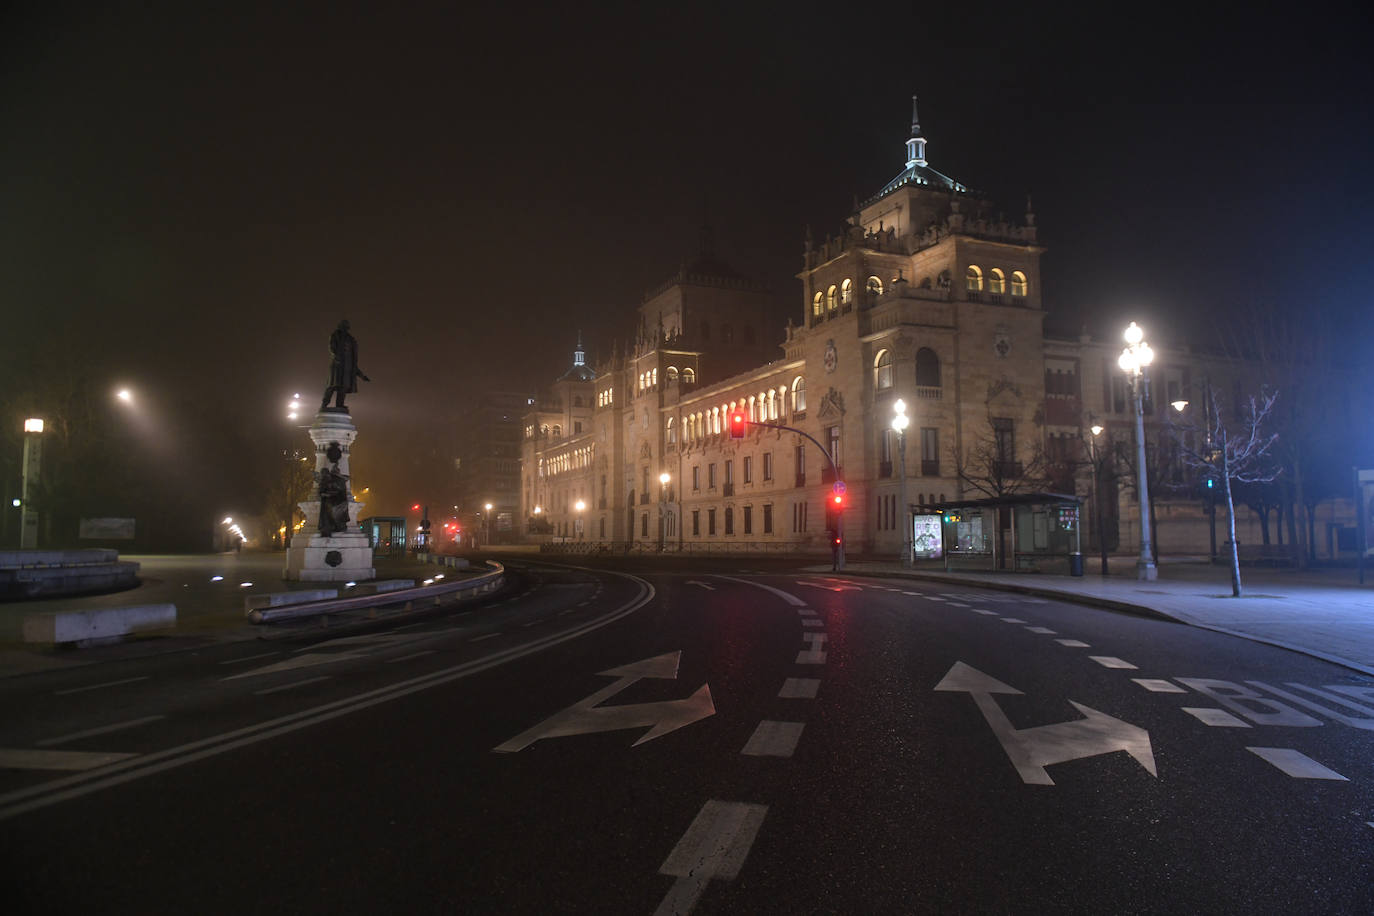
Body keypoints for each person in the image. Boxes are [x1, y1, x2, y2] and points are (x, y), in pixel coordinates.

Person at [320, 320, 371, 409]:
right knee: (332, 386)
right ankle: (324, 404)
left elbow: (354, 365)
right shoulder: (335, 335)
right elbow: (332, 348)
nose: (344, 329)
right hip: (337, 366)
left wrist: (362, 376)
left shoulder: (351, 340)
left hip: (347, 369)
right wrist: (336, 357)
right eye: (343, 327)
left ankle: (339, 405)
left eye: (346, 327)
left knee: (343, 387)